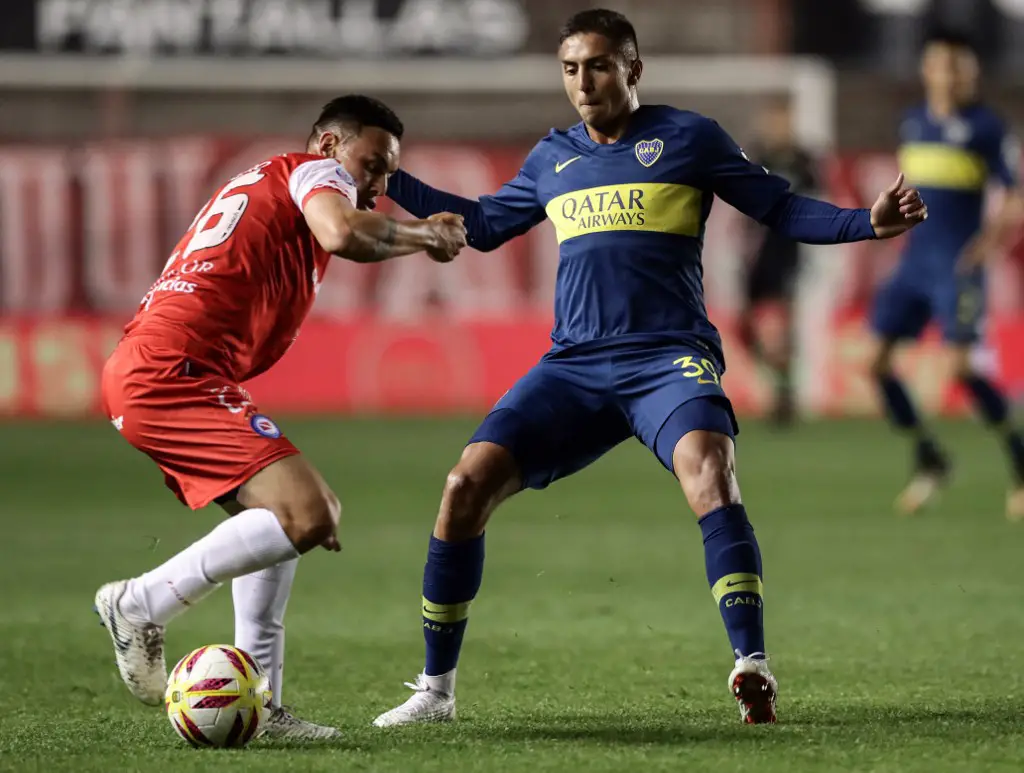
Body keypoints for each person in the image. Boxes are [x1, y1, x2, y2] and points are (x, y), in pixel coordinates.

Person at [370, 8, 926, 728]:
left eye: (598, 65)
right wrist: (390, 179)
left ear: (632, 68)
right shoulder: (553, 157)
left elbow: (780, 209)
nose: (583, 82)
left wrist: (866, 222)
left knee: (711, 471)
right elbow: (481, 224)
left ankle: (751, 665)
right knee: (462, 486)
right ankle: (435, 691)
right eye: (570, 69)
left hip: (667, 359)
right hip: (573, 365)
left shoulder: (689, 138)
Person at [93, 95, 467, 741]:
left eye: (384, 174)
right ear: (328, 145)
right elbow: (343, 233)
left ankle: (261, 706)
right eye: (370, 164)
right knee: (310, 514)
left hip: (166, 369)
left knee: (278, 521)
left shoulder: (272, 179)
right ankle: (139, 602)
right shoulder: (315, 173)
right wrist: (424, 234)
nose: (375, 185)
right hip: (171, 371)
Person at [867, 29, 1024, 518]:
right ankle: (930, 457)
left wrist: (987, 244)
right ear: (927, 71)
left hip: (957, 267)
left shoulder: (986, 128)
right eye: (941, 65)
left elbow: (1015, 194)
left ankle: (1020, 463)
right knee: (875, 363)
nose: (949, 75)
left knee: (959, 368)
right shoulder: (912, 123)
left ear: (971, 73)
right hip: (914, 263)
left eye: (959, 66)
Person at [737, 98, 819, 426]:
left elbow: (821, 202)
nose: (778, 127)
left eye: (783, 120)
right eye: (773, 120)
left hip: (790, 252)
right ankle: (778, 384)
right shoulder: (757, 157)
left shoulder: (804, 160)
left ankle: (785, 395)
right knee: (748, 330)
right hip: (756, 253)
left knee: (783, 327)